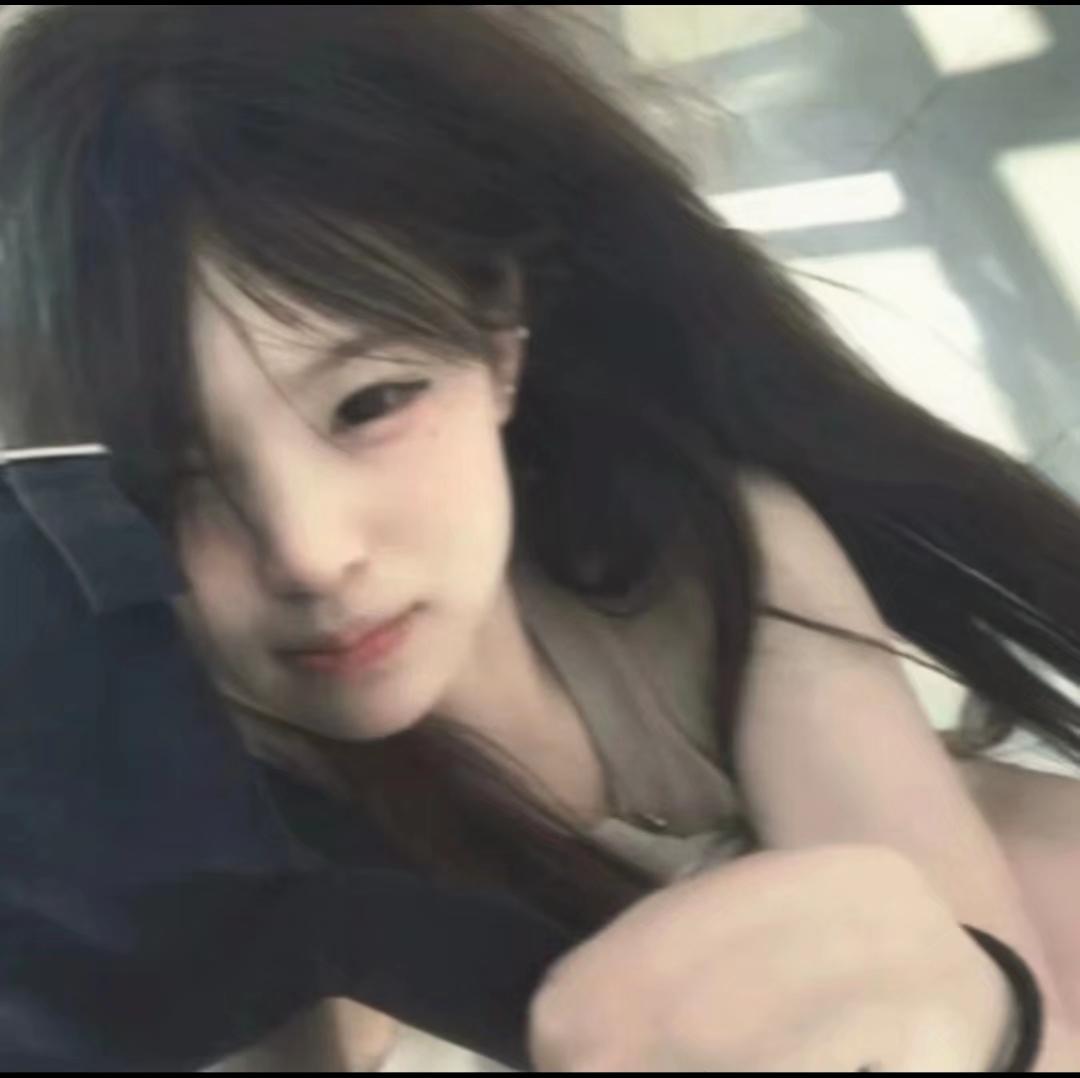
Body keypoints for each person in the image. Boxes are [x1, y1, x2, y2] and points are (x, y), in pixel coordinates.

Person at [1, 5, 1078, 1071]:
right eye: (167, 474)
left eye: (372, 402)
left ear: (499, 344)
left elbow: (946, 956)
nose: (308, 552)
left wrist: (987, 1024)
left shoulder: (692, 555)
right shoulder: (177, 801)